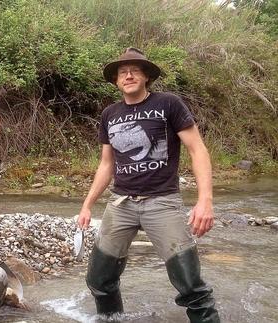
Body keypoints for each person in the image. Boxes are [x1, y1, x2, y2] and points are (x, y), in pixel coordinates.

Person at [77, 48, 220, 322]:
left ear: (146, 77)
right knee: (99, 280)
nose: (128, 75)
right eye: (122, 72)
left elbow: (198, 150)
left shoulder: (169, 104)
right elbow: (107, 164)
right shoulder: (110, 114)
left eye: (135, 70)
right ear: (116, 80)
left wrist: (205, 201)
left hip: (162, 203)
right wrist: (86, 205)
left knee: (191, 286)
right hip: (121, 204)